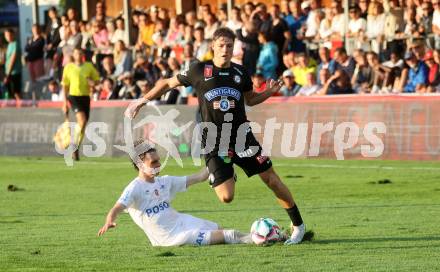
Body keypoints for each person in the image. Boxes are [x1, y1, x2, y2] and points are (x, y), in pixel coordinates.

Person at [127, 28, 306, 245]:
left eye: (230, 46)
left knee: (271, 179)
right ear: (213, 46)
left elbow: (250, 99)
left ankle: (298, 226)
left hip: (242, 136)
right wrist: (142, 100)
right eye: (221, 45)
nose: (225, 50)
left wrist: (267, 93)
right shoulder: (199, 70)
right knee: (226, 197)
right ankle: (225, 170)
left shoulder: (240, 72)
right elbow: (166, 83)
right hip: (213, 139)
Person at [97, 140, 253, 246]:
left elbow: (200, 176)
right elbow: (116, 208)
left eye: (159, 160)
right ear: (139, 164)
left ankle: (260, 236)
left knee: (219, 228)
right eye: (154, 162)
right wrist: (109, 220)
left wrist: (218, 159)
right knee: (229, 235)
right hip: (173, 237)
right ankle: (261, 237)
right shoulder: (134, 187)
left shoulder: (164, 181)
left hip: (183, 221)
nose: (158, 165)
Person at [62, 48, 100, 160]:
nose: (78, 55)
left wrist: (92, 83)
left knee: (83, 124)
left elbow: (97, 81)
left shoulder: (88, 66)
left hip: (85, 97)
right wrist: (64, 102)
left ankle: (75, 146)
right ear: (73, 55)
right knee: (82, 120)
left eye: (80, 53)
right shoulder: (68, 67)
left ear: (82, 54)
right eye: (76, 53)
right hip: (73, 96)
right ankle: (74, 145)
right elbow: (65, 85)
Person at [3, 28, 21, 100]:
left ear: (13, 35)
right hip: (9, 72)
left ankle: (22, 109)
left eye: (9, 35)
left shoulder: (15, 44)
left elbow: (13, 60)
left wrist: (8, 74)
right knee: (10, 93)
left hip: (14, 72)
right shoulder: (9, 45)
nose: (8, 37)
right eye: (6, 36)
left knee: (16, 92)